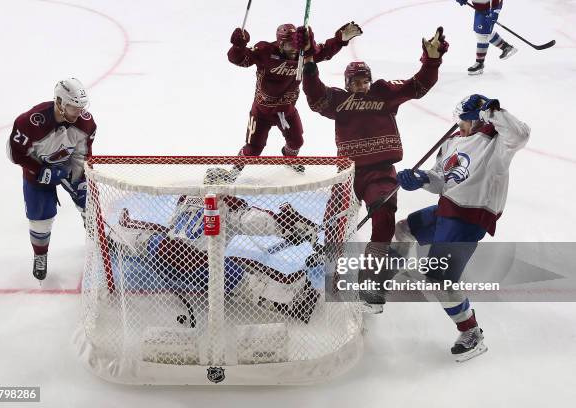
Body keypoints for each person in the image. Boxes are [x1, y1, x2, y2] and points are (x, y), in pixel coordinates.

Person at [301, 27, 449, 313]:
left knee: (383, 217)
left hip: (380, 172)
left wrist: (431, 61)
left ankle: (371, 281)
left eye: (364, 79)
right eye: (355, 81)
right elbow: (315, 97)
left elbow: (418, 86)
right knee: (333, 222)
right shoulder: (337, 101)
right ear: (347, 83)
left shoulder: (384, 92)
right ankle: (327, 274)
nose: (361, 84)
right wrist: (309, 70)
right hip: (347, 174)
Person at [394, 94, 530, 361]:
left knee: (439, 280)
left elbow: (521, 134)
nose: (460, 125)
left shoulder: (497, 140)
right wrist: (420, 179)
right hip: (448, 207)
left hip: (470, 216)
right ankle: (393, 273)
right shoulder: (452, 142)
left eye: (464, 120)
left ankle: (472, 333)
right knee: (404, 228)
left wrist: (492, 113)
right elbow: (439, 180)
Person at [106, 168, 322, 323]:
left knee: (152, 241)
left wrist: (135, 225)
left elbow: (170, 230)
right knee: (241, 273)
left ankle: (118, 239)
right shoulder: (226, 203)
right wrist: (285, 225)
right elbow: (253, 220)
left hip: (165, 257)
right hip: (196, 265)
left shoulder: (187, 197)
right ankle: (290, 301)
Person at [227, 22, 362, 176]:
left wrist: (339, 40)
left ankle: (289, 159)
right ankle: (234, 172)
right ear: (280, 43)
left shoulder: (303, 54)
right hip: (261, 112)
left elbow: (324, 51)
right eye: (290, 45)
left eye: (295, 44)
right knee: (253, 149)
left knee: (297, 142)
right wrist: (238, 47)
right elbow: (240, 59)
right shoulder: (265, 51)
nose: (294, 50)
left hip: (286, 111)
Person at [7, 78, 95, 281]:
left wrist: (79, 178)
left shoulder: (86, 123)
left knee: (89, 203)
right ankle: (40, 255)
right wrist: (40, 171)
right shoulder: (29, 122)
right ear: (59, 102)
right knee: (40, 219)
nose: (78, 112)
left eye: (81, 107)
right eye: (73, 107)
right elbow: (14, 153)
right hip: (37, 174)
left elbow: (83, 153)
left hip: (67, 167)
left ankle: (94, 235)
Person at [455, 0, 517, 75]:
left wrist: (495, 12)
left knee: (483, 34)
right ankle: (505, 47)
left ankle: (480, 63)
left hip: (489, 9)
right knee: (481, 34)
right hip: (479, 8)